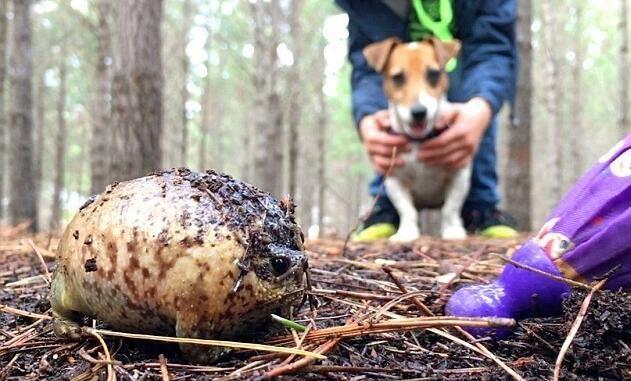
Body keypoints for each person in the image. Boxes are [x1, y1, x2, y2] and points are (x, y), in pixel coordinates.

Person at [334, 0, 519, 240]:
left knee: (474, 98)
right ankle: (387, 208)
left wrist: (480, 108)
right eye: (400, 79)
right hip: (397, 145)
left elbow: (492, 46)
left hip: (463, 64)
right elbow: (365, 62)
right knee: (391, 149)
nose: (417, 98)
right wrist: (368, 116)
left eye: (432, 76)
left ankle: (479, 205)